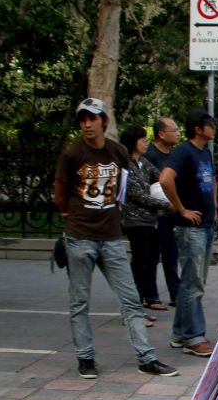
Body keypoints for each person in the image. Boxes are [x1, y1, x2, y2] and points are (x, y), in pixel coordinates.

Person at [53, 98, 178, 379]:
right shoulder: (71, 154)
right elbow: (60, 195)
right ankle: (85, 358)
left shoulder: (117, 151)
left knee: (131, 300)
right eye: (83, 119)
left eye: (92, 119)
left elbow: (124, 186)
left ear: (104, 122)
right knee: (79, 302)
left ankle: (146, 357)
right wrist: (71, 216)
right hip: (80, 237)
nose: (87, 124)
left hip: (110, 237)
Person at [159, 108, 218, 358]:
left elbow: (212, 181)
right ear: (198, 128)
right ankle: (194, 336)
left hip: (206, 225)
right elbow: (165, 179)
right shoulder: (184, 151)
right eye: (210, 125)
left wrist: (214, 208)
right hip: (191, 228)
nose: (214, 128)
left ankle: (180, 333)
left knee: (192, 283)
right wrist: (181, 209)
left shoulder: (205, 152)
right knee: (193, 284)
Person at [118, 124, 173, 328]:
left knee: (148, 264)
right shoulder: (127, 165)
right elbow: (137, 196)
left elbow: (161, 178)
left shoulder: (144, 163)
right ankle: (131, 310)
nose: (146, 143)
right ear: (134, 142)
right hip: (135, 221)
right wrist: (166, 205)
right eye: (142, 140)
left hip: (150, 221)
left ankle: (138, 307)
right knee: (139, 264)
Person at [141, 116, 181, 311]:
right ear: (161, 133)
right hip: (155, 214)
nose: (178, 133)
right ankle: (151, 296)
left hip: (172, 211)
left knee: (171, 255)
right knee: (152, 256)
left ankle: (176, 294)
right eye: (174, 130)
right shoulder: (149, 156)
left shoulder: (174, 155)